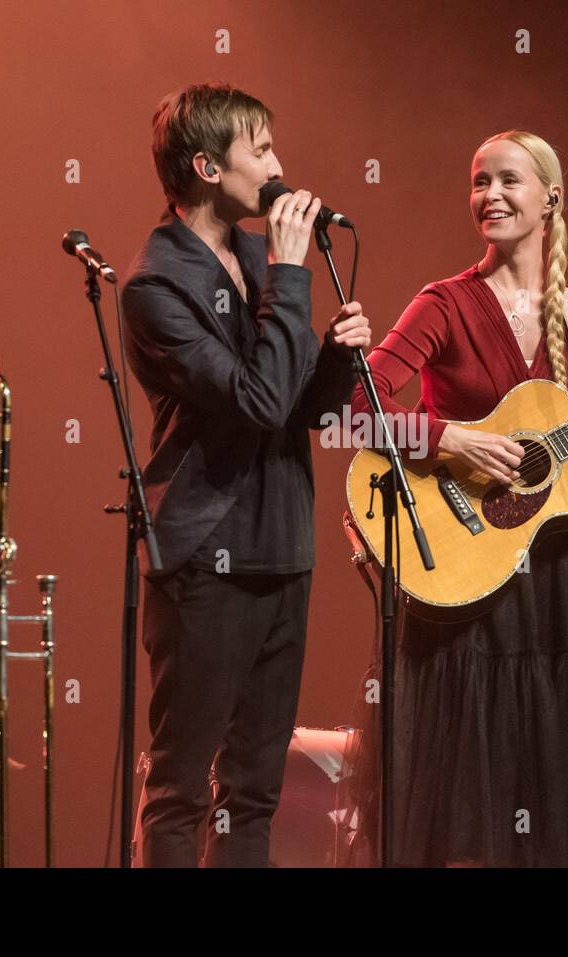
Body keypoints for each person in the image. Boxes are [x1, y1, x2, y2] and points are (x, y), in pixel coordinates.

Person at [350, 130, 568, 866]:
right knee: (456, 807)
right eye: (479, 182)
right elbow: (353, 407)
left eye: (508, 180)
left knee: (543, 810)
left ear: (552, 198)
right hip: (461, 581)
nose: (490, 196)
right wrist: (450, 440)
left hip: (555, 584)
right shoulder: (444, 302)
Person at [120, 82, 370, 867]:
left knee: (254, 790)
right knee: (182, 788)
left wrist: (331, 361)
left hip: (284, 545)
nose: (278, 166)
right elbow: (255, 399)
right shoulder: (155, 284)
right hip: (206, 556)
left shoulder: (261, 257)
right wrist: (292, 283)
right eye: (259, 150)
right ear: (204, 166)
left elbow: (295, 411)